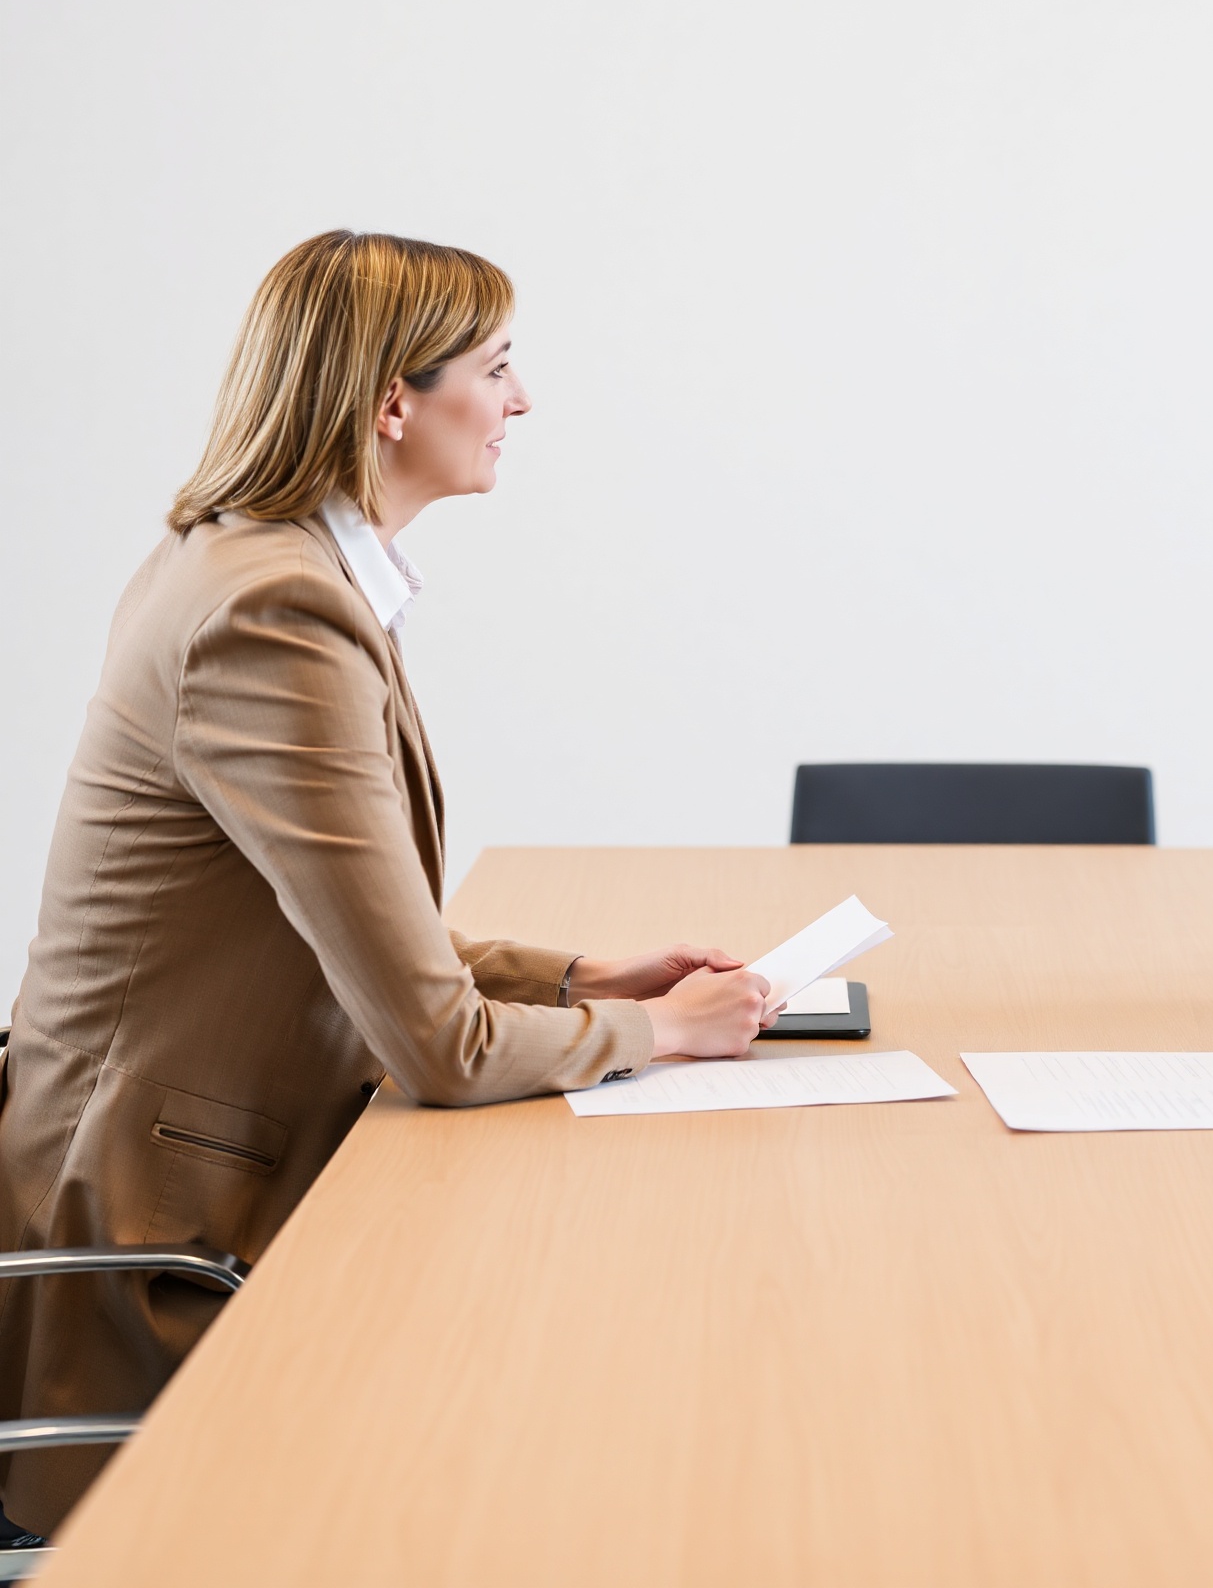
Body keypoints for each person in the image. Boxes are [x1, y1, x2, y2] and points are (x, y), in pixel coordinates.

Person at [0, 232, 774, 1541]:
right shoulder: (275, 615)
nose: (522, 400)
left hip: (196, 1171)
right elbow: (437, 1045)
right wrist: (659, 1030)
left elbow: (344, 929)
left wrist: (582, 977)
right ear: (391, 403)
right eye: (497, 367)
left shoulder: (257, 564)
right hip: (169, 1238)